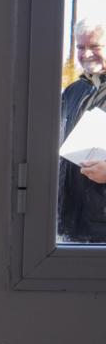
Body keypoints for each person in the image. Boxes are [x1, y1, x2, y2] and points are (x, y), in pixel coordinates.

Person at [60, 18, 106, 242]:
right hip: (70, 225)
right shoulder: (71, 92)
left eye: (95, 46)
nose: (86, 54)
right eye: (80, 47)